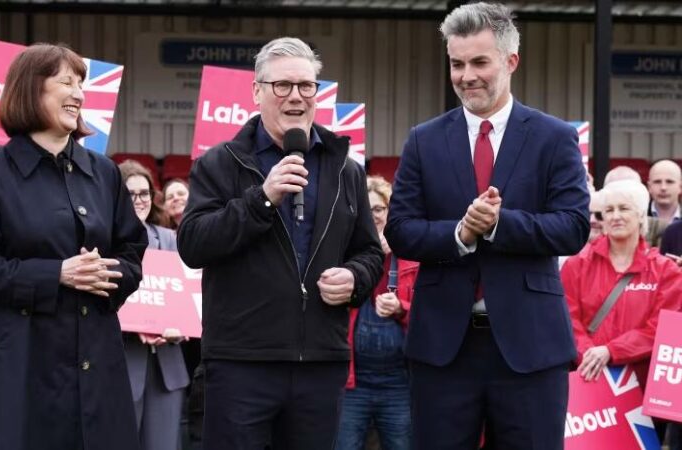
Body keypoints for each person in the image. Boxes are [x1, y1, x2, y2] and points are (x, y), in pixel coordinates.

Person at [384, 3, 590, 449]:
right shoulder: (423, 139)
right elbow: (399, 229)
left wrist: (500, 225)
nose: (466, 75)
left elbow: (573, 228)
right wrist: (460, 235)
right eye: (457, 64)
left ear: (510, 61)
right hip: (443, 348)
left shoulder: (554, 137)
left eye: (479, 62)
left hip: (531, 347)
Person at [177, 37, 383, 450]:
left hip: (320, 366)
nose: (296, 97)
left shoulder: (346, 167)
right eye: (282, 86)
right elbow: (193, 243)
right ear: (257, 91)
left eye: (306, 86)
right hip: (241, 365)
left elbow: (370, 252)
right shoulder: (220, 162)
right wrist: (262, 200)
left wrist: (355, 277)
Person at [0, 43, 147, 450]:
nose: (79, 94)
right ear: (30, 90)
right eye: (66, 82)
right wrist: (57, 274)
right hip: (23, 367)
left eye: (82, 84)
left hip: (97, 364)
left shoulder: (104, 172)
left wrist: (107, 274)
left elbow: (132, 251)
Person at [562, 180, 682, 442]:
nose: (615, 216)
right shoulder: (576, 265)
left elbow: (661, 328)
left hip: (642, 389)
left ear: (640, 215)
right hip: (589, 381)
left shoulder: (665, 271)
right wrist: (589, 356)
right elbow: (566, 318)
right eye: (609, 210)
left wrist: (611, 351)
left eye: (624, 208)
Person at [336, 175, 418, 450]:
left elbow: (432, 317)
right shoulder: (341, 255)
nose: (373, 216)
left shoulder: (413, 258)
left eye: (378, 209)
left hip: (400, 384)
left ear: (389, 212)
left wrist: (401, 309)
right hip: (352, 384)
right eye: (366, 210)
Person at [118, 159, 190, 450]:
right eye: (130, 194)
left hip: (168, 368)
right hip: (124, 363)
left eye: (144, 193)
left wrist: (182, 327)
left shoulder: (172, 240)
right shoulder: (105, 242)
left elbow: (188, 301)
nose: (139, 200)